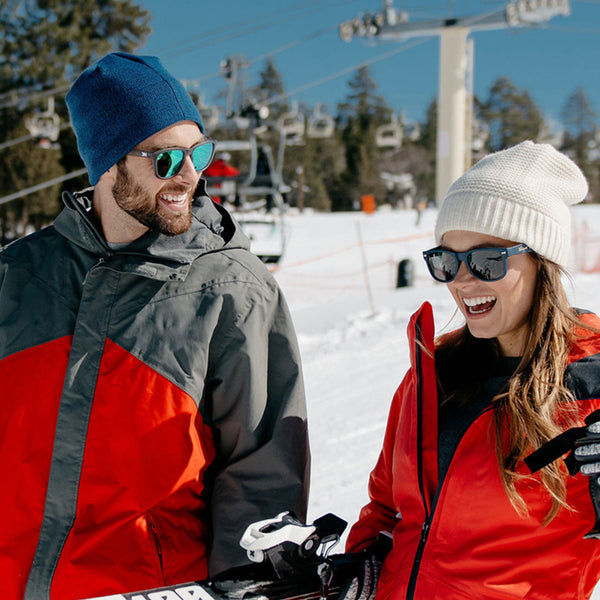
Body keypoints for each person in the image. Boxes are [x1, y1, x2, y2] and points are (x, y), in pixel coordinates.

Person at [0, 52, 310, 600]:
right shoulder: (18, 274)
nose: (190, 176)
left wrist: (244, 589)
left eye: (200, 153)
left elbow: (261, 473)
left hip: (148, 588)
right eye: (167, 160)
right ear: (108, 164)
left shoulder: (231, 289)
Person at [346, 141, 600, 599]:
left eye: (487, 260)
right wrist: (359, 569)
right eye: (447, 260)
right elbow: (388, 507)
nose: (462, 280)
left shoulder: (592, 382)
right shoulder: (434, 373)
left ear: (543, 262)